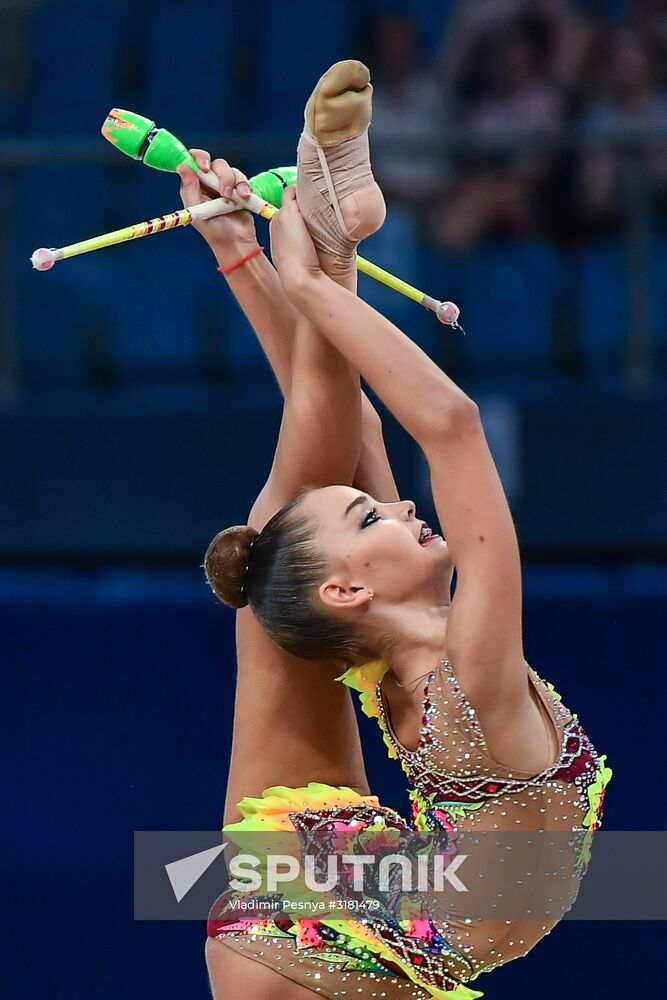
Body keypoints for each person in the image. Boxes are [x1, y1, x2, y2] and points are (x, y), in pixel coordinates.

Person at [202, 62, 612, 1000]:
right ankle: (332, 227)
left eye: (370, 508)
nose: (399, 506)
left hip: (318, 913)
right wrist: (301, 279)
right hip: (329, 927)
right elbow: (450, 425)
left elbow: (374, 429)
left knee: (302, 495)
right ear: (355, 591)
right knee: (295, 507)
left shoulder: (408, 660)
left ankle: (333, 227)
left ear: (352, 593)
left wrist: (267, 264)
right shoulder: (465, 659)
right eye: (374, 516)